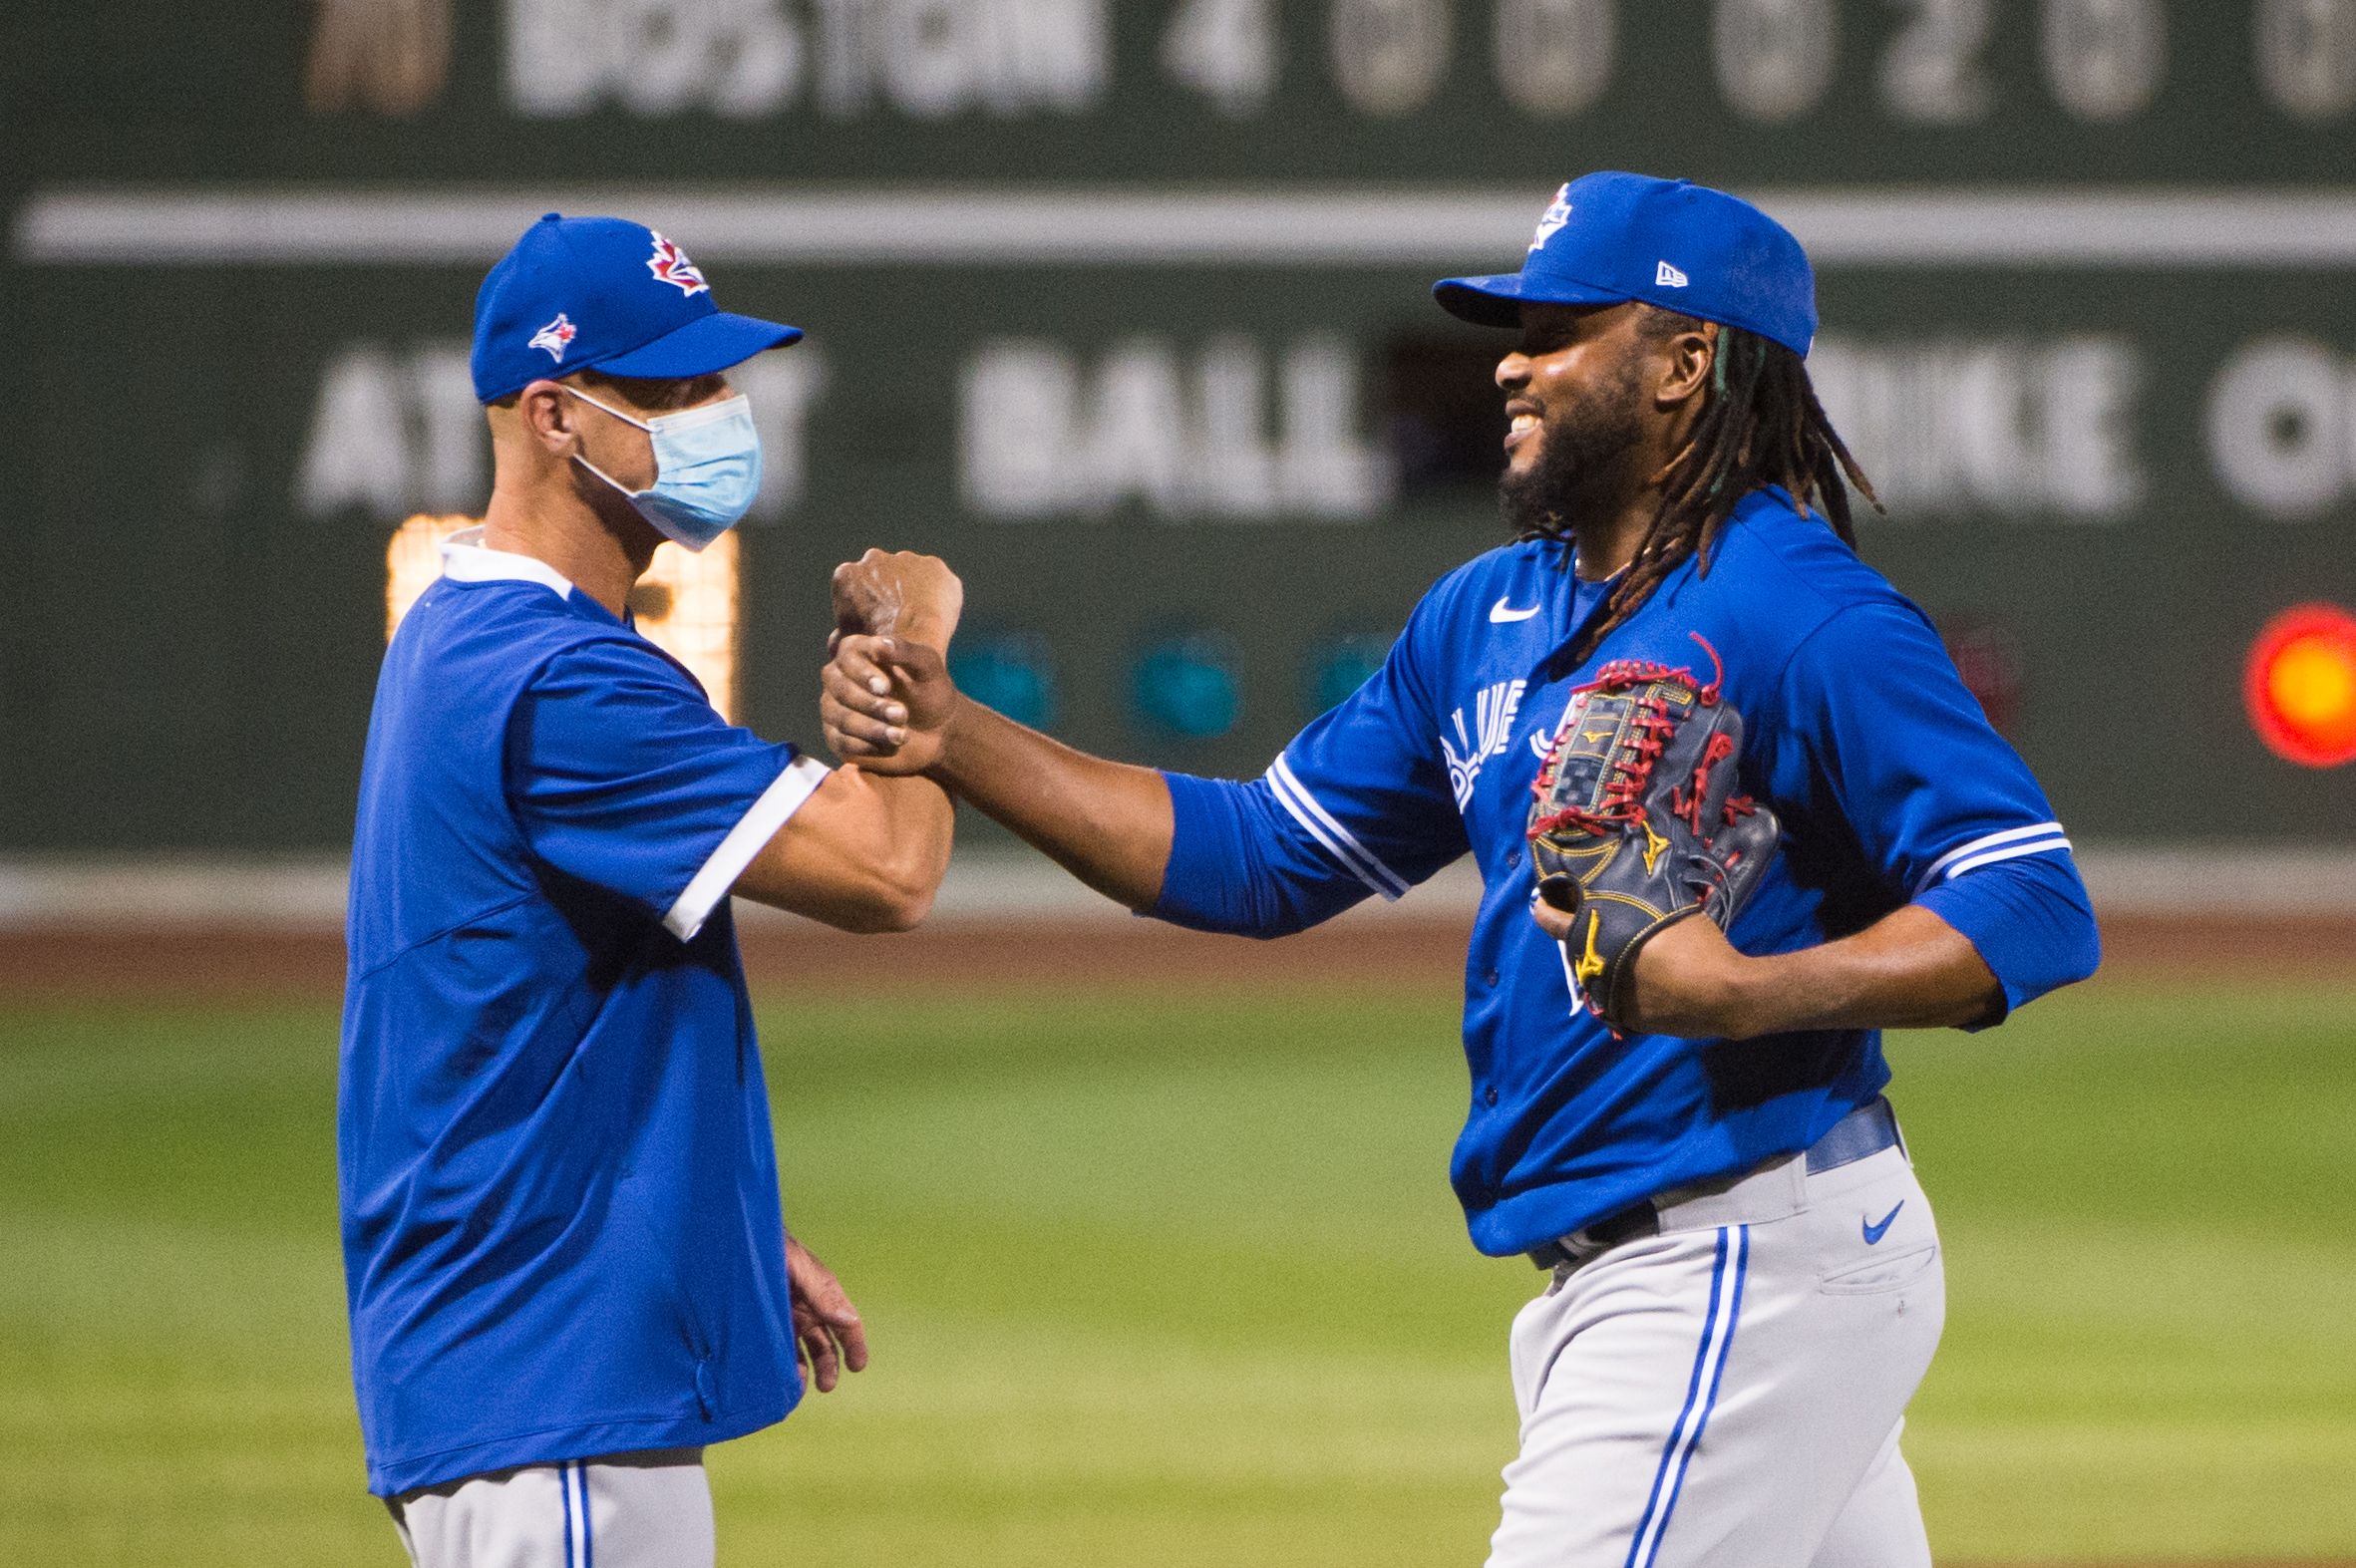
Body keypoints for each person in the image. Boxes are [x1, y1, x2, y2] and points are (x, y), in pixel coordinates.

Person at [817, 172, 2100, 1567]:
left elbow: (2030, 898)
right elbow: (1260, 856)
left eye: (1558, 330)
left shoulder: (1803, 613)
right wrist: (953, 734)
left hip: (1742, 1260)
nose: (1511, 359)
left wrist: (1744, 992)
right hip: (1662, 1274)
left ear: (1685, 362)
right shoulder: (1486, 612)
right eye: (1515, 328)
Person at [340, 213, 960, 1567]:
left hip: (520, 1371)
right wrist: (909, 647)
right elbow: (889, 871)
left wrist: (705, 1211)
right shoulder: (556, 678)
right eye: (674, 391)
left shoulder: (455, 631)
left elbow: (496, 1015)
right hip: (546, 1388)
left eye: (717, 383)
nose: (720, 415)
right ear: (558, 416)